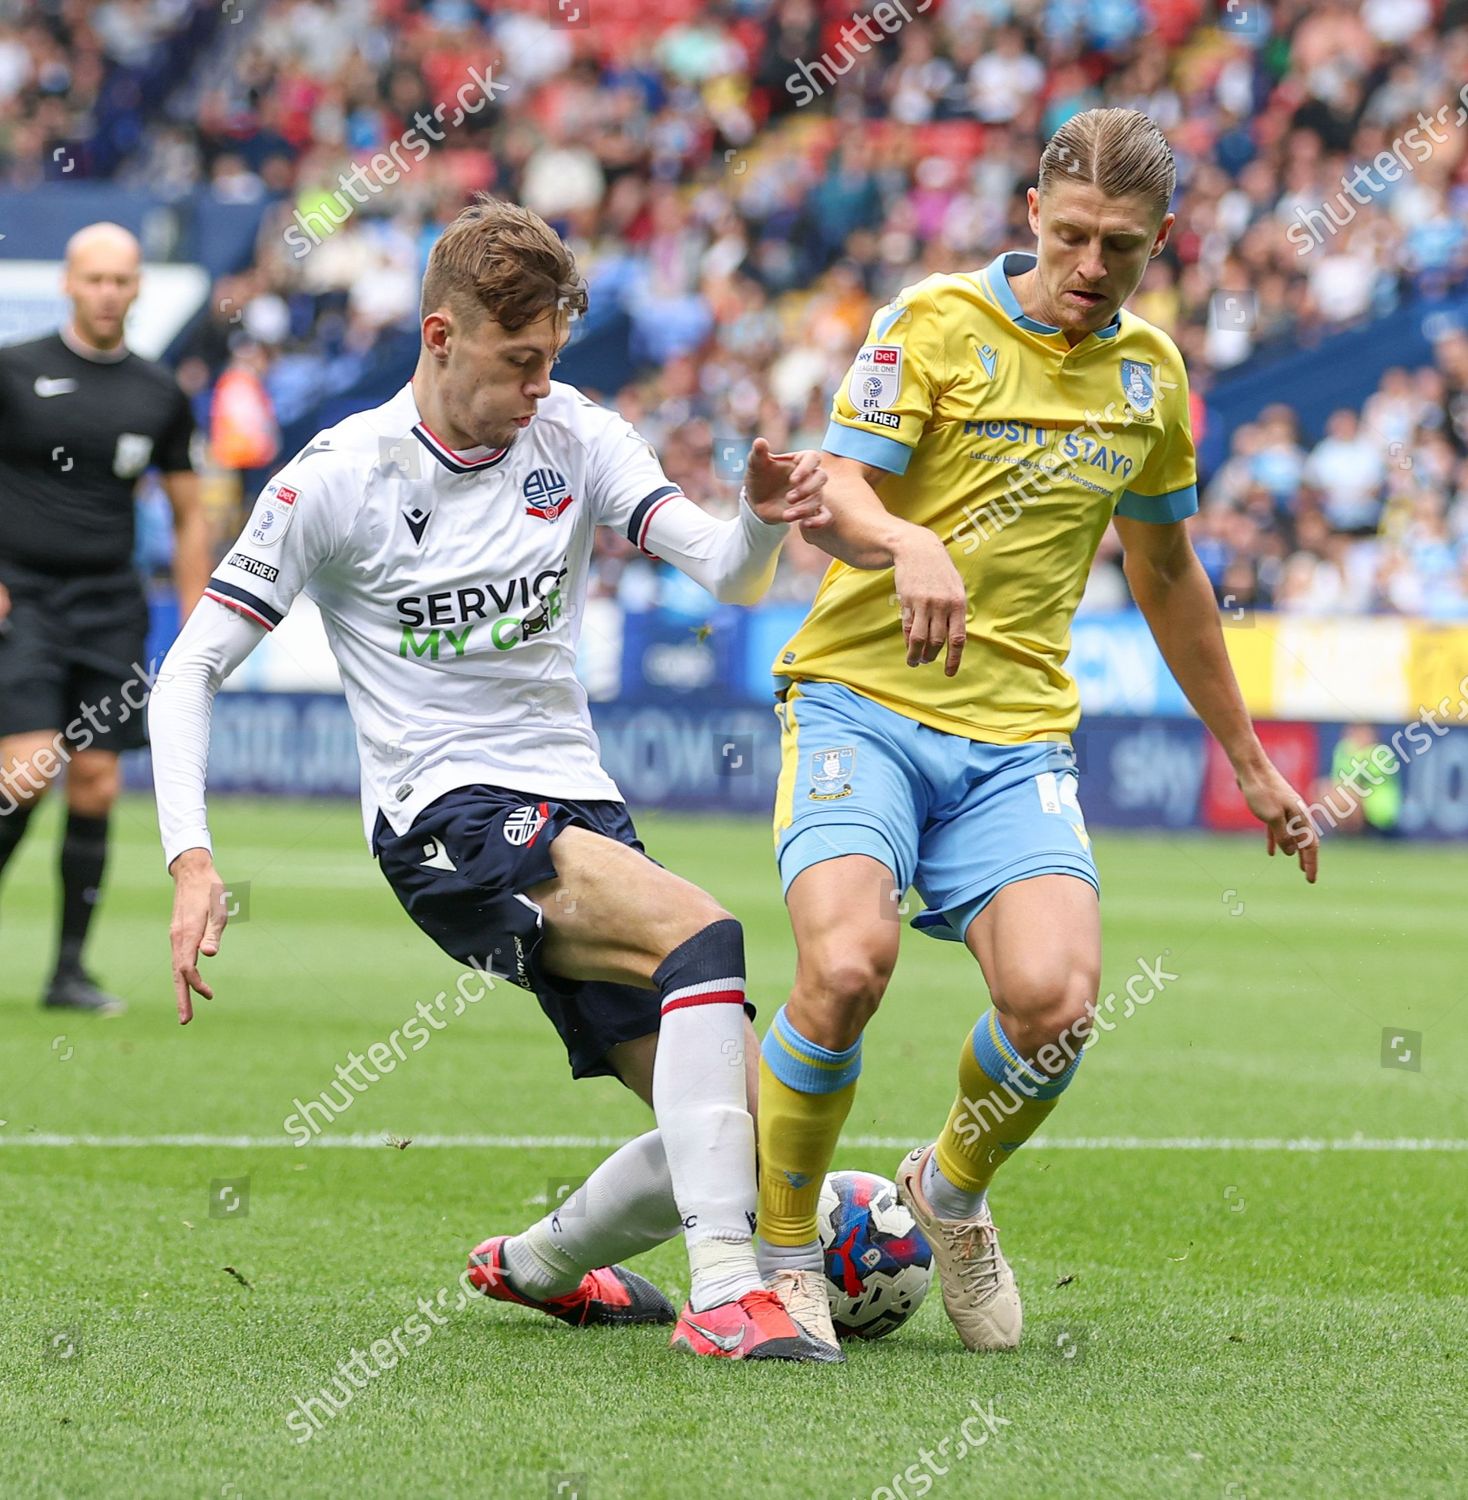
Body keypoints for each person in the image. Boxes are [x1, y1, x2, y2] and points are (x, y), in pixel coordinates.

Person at [149, 196, 836, 1363]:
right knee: (703, 935)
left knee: (726, 1135)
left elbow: (723, 572)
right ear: (439, 336)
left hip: (576, 804)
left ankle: (537, 1267)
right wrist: (192, 856)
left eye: (549, 360)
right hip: (444, 819)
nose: (537, 385)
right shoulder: (336, 478)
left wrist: (759, 524)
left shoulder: (575, 434)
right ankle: (732, 1296)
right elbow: (190, 669)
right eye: (518, 362)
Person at [752, 110, 1319, 1358]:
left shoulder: (1151, 379)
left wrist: (1250, 759)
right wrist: (907, 542)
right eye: (1068, 236)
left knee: (1055, 1002)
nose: (1087, 266)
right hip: (862, 700)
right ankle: (781, 1260)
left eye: (1118, 247)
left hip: (1013, 740)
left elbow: (1168, 574)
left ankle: (946, 1193)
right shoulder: (932, 323)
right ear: (1030, 215)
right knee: (844, 967)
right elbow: (833, 494)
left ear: (1160, 242)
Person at [0, 222, 208, 1014]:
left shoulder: (158, 392)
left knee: (93, 782)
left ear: (137, 288)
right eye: (94, 279)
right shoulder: (15, 371)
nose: (108, 293)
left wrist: (198, 619)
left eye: (121, 280)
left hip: (109, 603)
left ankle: (68, 973)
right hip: (22, 599)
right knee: (27, 772)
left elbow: (190, 514)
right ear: (68, 282)